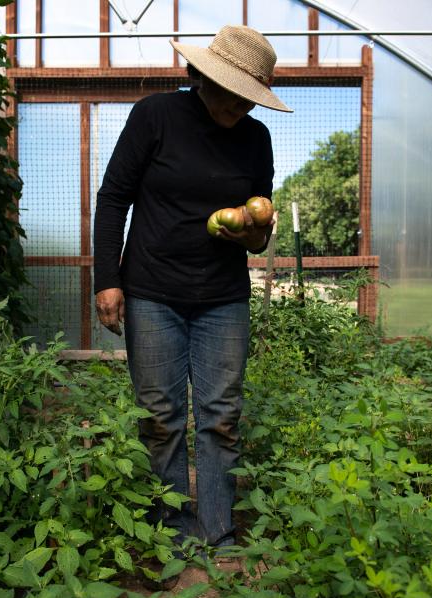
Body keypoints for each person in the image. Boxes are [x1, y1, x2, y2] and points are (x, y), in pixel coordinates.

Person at [93, 25, 292, 555]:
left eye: (250, 99)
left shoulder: (256, 139)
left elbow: (258, 232)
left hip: (222, 298)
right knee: (161, 419)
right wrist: (106, 280)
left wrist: (249, 231)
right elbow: (114, 198)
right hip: (153, 291)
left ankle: (219, 531)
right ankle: (174, 534)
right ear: (203, 76)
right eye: (232, 93)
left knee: (221, 417)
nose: (240, 107)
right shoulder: (156, 116)